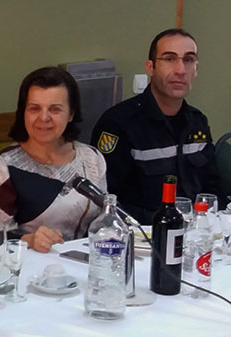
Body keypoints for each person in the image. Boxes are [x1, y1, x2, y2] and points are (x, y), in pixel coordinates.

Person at [90, 28, 221, 224]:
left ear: (196, 68)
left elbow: (213, 188)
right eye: (169, 59)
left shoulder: (197, 122)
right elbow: (107, 200)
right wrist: (166, 221)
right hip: (143, 234)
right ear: (150, 67)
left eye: (188, 60)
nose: (180, 70)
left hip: (196, 231)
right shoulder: (119, 123)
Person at [0, 66, 106, 252]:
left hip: (86, 264)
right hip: (30, 267)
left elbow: (104, 223)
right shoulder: (5, 166)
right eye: (34, 109)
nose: (44, 117)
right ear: (23, 112)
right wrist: (28, 240)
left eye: (55, 109)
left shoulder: (92, 158)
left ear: (71, 114)